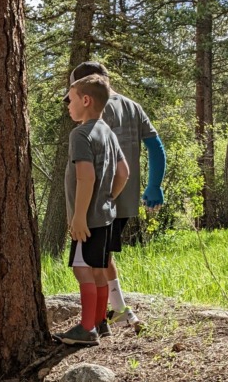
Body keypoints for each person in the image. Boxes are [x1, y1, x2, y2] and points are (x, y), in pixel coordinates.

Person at [70, 60, 167, 330]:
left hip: (97, 200)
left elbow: (88, 168)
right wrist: (153, 186)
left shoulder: (92, 110)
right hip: (123, 197)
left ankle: (96, 322)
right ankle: (119, 309)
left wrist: (81, 207)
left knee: (93, 262)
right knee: (104, 256)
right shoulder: (133, 106)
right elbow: (156, 147)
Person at [57, 74, 129, 347]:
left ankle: (87, 328)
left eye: (71, 99)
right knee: (98, 269)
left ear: (85, 100)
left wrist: (78, 215)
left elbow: (86, 177)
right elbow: (124, 172)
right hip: (106, 215)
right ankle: (100, 322)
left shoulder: (80, 134)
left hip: (86, 219)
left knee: (81, 270)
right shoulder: (107, 132)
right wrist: (109, 197)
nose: (68, 105)